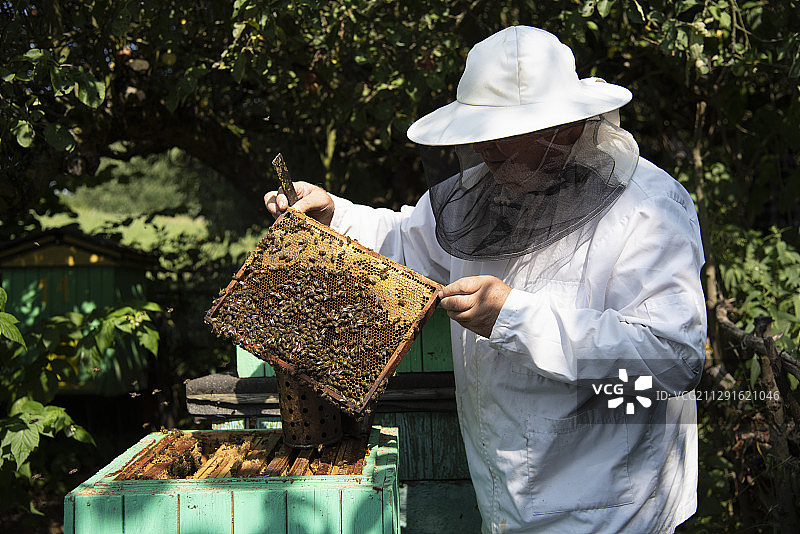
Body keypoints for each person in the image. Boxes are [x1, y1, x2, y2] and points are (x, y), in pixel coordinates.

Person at [265, 26, 706, 534]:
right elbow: (407, 244)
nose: (486, 151)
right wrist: (335, 216)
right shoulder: (484, 187)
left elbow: (673, 357)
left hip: (614, 508)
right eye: (480, 136)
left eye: (503, 137)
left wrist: (514, 317)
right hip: (504, 502)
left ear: (563, 129)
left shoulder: (648, 209)